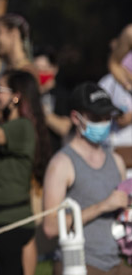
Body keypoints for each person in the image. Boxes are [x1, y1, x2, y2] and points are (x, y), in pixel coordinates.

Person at [0, 70, 51, 275]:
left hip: (12, 221)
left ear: (16, 95)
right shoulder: (6, 127)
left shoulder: (22, 126)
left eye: (0, 90)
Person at [42, 82, 130, 275]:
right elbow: (49, 227)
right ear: (76, 118)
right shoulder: (61, 164)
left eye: (108, 117)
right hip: (79, 264)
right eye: (97, 118)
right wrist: (102, 206)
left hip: (115, 262)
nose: (105, 123)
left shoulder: (115, 161)